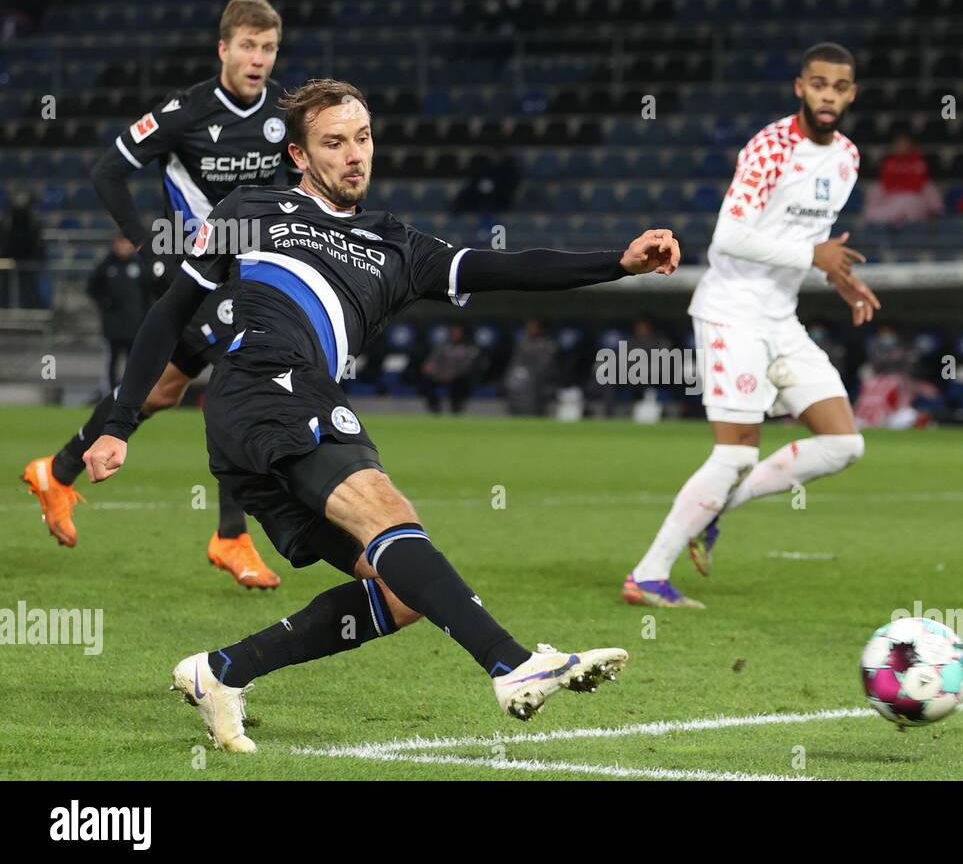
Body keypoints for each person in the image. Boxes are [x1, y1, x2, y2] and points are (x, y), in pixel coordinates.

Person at [82, 79, 680, 750]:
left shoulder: (397, 246)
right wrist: (118, 423)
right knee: (389, 514)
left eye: (362, 137)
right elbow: (169, 315)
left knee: (401, 589)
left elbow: (507, 266)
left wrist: (618, 263)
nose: (353, 154)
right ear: (301, 157)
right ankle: (511, 664)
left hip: (283, 417)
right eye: (334, 142)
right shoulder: (253, 208)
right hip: (261, 390)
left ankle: (221, 672)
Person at [20, 0, 287, 589]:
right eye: (247, 46)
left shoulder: (280, 114)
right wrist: (149, 246)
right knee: (243, 379)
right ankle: (231, 535)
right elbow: (107, 171)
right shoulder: (186, 110)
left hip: (242, 269)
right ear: (224, 49)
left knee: (161, 390)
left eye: (268, 48)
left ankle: (58, 469)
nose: (258, 59)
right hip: (193, 271)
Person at [622, 42, 880, 609]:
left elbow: (800, 240)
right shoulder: (771, 146)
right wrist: (815, 258)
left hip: (780, 317)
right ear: (800, 87)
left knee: (843, 443)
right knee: (736, 454)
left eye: (839, 86)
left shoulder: (848, 159)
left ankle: (713, 511)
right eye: (818, 84)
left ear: (852, 93)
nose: (828, 95)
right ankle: (647, 576)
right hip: (731, 311)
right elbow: (730, 237)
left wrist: (833, 272)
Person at [88, 234, 151, 393]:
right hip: (113, 326)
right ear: (114, 244)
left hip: (135, 325)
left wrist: (147, 316)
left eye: (126, 242)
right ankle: (108, 395)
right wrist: (104, 302)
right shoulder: (106, 265)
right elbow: (92, 289)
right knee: (111, 361)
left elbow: (149, 294)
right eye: (120, 242)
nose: (123, 246)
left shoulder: (140, 265)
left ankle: (131, 394)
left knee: (134, 362)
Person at [863, 132, 942, 225]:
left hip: (913, 198)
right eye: (897, 143)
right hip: (892, 198)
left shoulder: (918, 161)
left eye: (903, 143)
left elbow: (922, 185)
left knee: (908, 206)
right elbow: (884, 185)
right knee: (870, 212)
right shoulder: (890, 162)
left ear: (909, 145)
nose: (899, 146)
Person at [419, 322, 483, 413]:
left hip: (459, 377)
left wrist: (453, 374)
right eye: (453, 331)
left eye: (458, 332)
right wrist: (431, 367)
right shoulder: (444, 345)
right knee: (426, 381)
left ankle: (456, 410)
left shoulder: (471, 348)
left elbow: (468, 367)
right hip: (440, 375)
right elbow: (432, 360)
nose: (454, 334)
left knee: (460, 383)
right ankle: (434, 408)